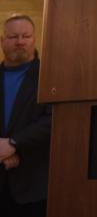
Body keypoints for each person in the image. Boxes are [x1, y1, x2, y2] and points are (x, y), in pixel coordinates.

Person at [0, 14, 51, 217]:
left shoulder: (48, 75)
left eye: (25, 36)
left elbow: (53, 120)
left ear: (34, 39)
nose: (20, 42)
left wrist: (14, 143)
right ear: (2, 41)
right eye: (13, 37)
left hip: (33, 187)